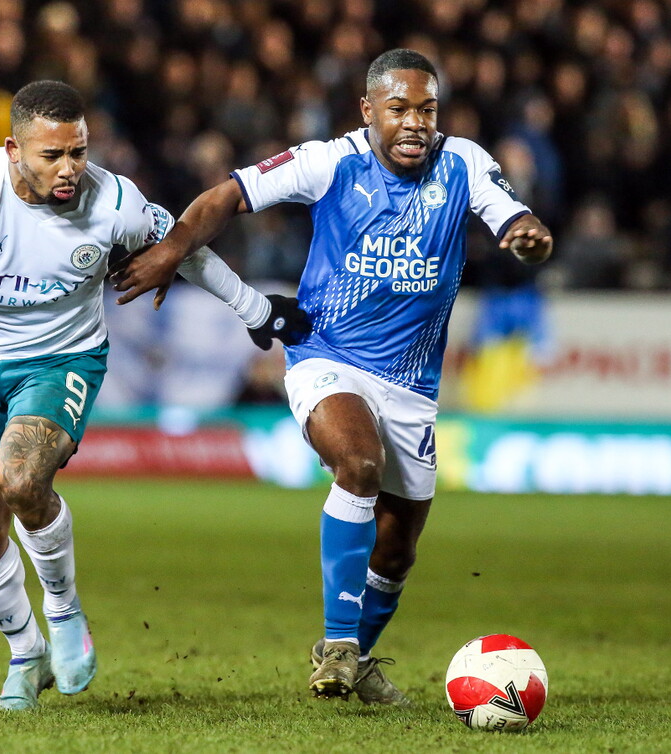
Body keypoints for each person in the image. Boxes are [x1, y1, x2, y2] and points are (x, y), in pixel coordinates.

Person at [0, 80, 308, 711]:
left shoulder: (114, 201)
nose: (69, 170)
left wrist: (254, 308)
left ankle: (64, 611)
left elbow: (182, 247)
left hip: (64, 360)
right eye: (51, 156)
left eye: (79, 152)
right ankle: (25, 653)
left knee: (20, 477)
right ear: (13, 150)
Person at [112, 49, 552, 703]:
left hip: (411, 383)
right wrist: (174, 249)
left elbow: (509, 212)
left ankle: (362, 658)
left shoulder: (464, 162)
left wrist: (525, 232)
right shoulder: (329, 160)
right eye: (399, 108)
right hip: (326, 355)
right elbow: (229, 194)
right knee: (359, 463)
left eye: (426, 109)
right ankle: (338, 646)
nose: (414, 124)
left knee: (397, 548)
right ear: (368, 109)